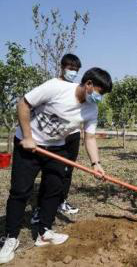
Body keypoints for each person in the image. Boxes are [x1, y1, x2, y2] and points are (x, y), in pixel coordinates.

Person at [0, 68, 112, 264]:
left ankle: (44, 231)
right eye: (99, 92)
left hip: (56, 148)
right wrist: (27, 137)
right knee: (20, 191)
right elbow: (24, 104)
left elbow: (91, 137)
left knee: (54, 188)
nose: (99, 97)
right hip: (28, 144)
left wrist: (96, 163)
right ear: (88, 85)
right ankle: (11, 238)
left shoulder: (91, 109)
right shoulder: (56, 87)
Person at [31, 54, 82, 225]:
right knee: (50, 172)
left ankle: (61, 201)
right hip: (53, 138)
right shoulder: (51, 86)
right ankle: (39, 208)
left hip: (72, 136)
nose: (73, 72)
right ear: (62, 67)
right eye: (70, 68)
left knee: (67, 171)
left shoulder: (77, 88)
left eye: (76, 69)